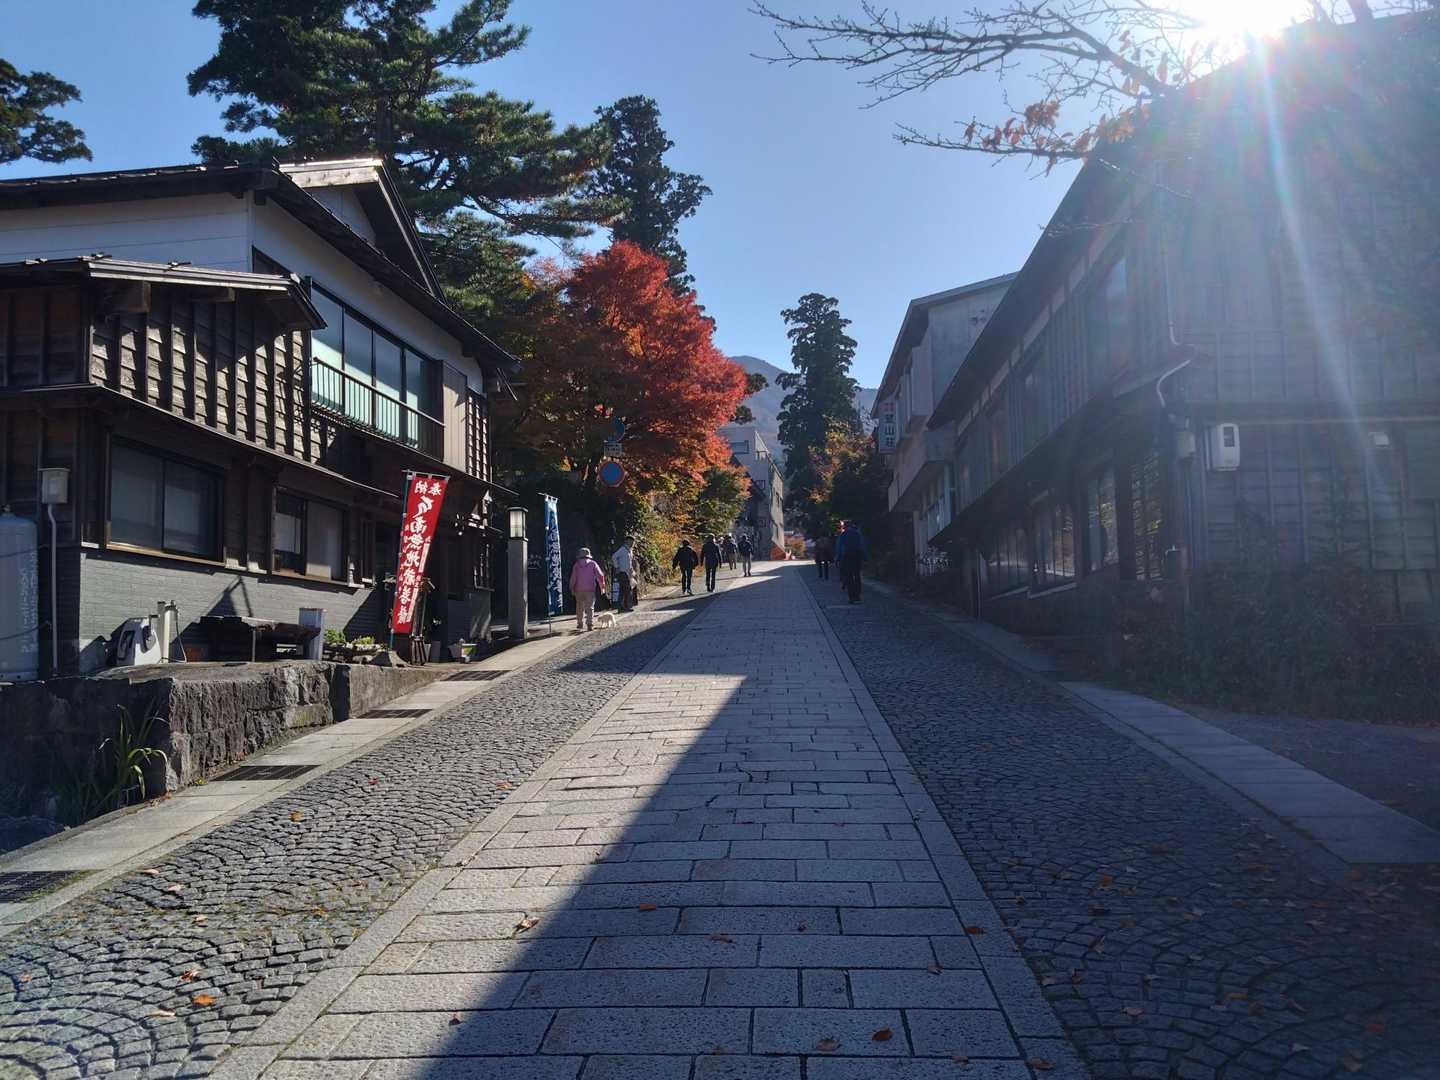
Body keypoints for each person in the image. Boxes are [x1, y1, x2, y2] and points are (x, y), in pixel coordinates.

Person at [568, 547, 606, 631]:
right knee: (590, 607)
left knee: (579, 607)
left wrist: (572, 587)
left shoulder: (576, 565)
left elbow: (573, 578)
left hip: (578, 589)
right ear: (589, 555)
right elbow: (600, 575)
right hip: (590, 589)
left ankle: (580, 623)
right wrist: (602, 586)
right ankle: (589, 624)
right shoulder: (593, 564)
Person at [835, 521, 869, 603]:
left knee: (849, 577)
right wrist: (865, 557)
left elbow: (839, 547)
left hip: (847, 557)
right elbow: (862, 545)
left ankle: (851, 597)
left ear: (845, 527)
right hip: (857, 557)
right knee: (857, 576)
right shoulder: (857, 534)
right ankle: (858, 596)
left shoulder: (843, 535)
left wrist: (838, 558)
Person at [611, 536, 636, 612]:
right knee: (627, 590)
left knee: (622, 590)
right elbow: (614, 557)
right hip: (623, 572)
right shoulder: (623, 549)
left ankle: (621, 607)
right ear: (626, 541)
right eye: (630, 541)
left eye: (632, 542)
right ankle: (627, 606)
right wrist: (617, 567)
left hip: (628, 573)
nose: (632, 543)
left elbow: (629, 562)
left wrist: (631, 569)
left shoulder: (630, 551)